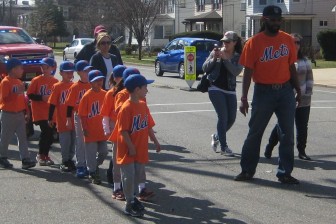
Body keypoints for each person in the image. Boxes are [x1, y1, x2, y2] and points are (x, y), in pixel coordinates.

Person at [234, 5, 301, 184]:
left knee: (287, 134)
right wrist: (243, 98)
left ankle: (285, 172)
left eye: (279, 20)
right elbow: (248, 72)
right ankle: (247, 170)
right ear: (264, 20)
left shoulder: (287, 40)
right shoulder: (254, 42)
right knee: (255, 132)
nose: (277, 23)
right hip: (263, 92)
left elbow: (291, 67)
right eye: (273, 20)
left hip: (286, 91)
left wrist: (298, 90)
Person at [114, 74, 160, 217]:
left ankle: (133, 199)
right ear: (136, 89)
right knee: (128, 177)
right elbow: (123, 130)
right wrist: (131, 146)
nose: (147, 90)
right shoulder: (126, 108)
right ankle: (129, 204)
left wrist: (156, 141)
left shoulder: (142, 104)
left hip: (139, 149)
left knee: (135, 176)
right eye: (145, 87)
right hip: (127, 150)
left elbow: (147, 126)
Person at [264, 33, 314, 161]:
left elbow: (309, 79)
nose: (296, 45)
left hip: (303, 99)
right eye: (293, 42)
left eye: (298, 42)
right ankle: (270, 146)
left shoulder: (304, 61)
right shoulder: (282, 60)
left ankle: (301, 151)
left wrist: (306, 94)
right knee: (282, 125)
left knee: (302, 126)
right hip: (286, 99)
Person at [202, 31, 243, 156]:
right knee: (223, 117)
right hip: (215, 87)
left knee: (231, 119)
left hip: (230, 89)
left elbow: (236, 71)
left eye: (228, 41)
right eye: (223, 41)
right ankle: (224, 147)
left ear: (235, 43)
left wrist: (226, 60)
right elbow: (205, 68)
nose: (225, 44)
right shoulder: (217, 51)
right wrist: (214, 58)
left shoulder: (238, 56)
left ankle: (216, 136)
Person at [0, 58, 36, 169]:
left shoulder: (19, 82)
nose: (22, 70)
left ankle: (25, 159)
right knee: (5, 137)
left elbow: (23, 99)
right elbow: (4, 100)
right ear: (13, 69)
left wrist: (27, 111)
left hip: (19, 114)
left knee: (23, 137)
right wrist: (15, 93)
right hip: (8, 114)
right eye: (20, 68)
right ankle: (3, 157)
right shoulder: (5, 82)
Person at [100, 65, 127, 200]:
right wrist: (106, 129)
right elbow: (105, 114)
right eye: (122, 78)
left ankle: (122, 181)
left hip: (126, 129)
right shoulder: (110, 93)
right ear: (116, 78)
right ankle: (114, 182)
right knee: (116, 155)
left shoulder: (129, 92)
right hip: (114, 125)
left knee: (122, 155)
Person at [78, 70, 108, 184]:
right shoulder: (86, 96)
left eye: (100, 80)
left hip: (102, 131)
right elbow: (82, 115)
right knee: (90, 153)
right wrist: (84, 128)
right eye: (96, 81)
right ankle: (92, 172)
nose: (99, 82)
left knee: (104, 152)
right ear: (90, 82)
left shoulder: (105, 94)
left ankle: (95, 165)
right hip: (90, 130)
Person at [27, 57, 58, 166]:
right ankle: (40, 154)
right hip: (40, 112)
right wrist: (41, 97)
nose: (44, 69)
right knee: (46, 132)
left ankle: (45, 154)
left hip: (51, 113)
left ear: (52, 68)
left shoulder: (55, 81)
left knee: (50, 134)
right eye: (42, 67)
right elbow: (30, 94)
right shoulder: (36, 80)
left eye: (46, 67)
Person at [65, 60, 92, 178]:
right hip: (79, 116)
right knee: (81, 141)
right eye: (86, 71)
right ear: (79, 72)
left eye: (89, 70)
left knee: (91, 141)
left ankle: (90, 163)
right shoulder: (75, 87)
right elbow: (70, 104)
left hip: (93, 117)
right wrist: (68, 119)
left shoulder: (93, 84)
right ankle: (80, 165)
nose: (88, 72)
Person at [48, 61, 76, 172]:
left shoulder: (74, 86)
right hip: (62, 119)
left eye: (71, 72)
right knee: (65, 141)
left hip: (74, 119)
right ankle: (65, 160)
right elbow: (52, 103)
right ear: (61, 73)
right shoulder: (57, 86)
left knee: (73, 141)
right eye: (67, 72)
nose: (69, 74)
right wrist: (50, 118)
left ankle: (70, 159)